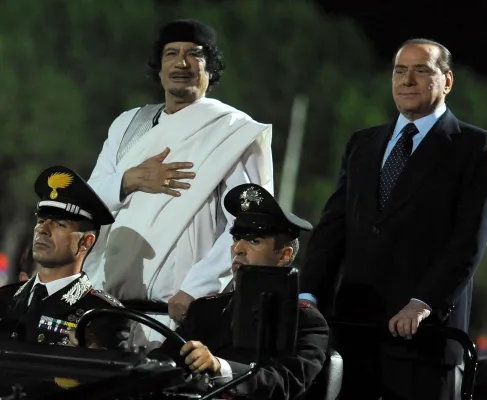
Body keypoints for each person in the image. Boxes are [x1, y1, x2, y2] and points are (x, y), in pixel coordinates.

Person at [299, 38, 487, 400]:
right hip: (353, 332)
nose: (407, 80)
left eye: (421, 70)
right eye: (399, 71)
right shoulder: (362, 144)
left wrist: (423, 302)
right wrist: (308, 293)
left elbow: (469, 240)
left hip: (424, 339)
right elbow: (333, 227)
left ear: (447, 81)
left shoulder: (476, 147)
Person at [84, 18, 273, 344]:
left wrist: (198, 288)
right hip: (108, 312)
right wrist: (128, 180)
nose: (181, 63)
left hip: (181, 315)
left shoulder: (234, 131)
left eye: (194, 54)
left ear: (210, 67)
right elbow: (86, 201)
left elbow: (248, 224)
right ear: (159, 68)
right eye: (171, 53)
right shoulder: (128, 125)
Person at [153, 183, 329, 399]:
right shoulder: (205, 309)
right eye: (237, 238)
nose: (238, 249)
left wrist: (221, 368)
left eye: (254, 240)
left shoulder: (305, 321)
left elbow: (285, 382)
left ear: (283, 255)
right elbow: (163, 362)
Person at [0, 166, 127, 349]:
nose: (42, 229)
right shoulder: (5, 297)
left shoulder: (102, 314)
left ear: (85, 242)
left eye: (59, 224)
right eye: (41, 221)